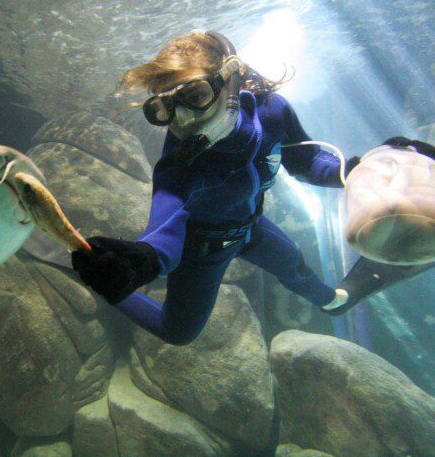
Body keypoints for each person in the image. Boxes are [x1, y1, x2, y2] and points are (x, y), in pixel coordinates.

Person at [71, 30, 378, 345]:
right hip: (201, 248)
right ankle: (100, 281)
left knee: (294, 267)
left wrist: (353, 172)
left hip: (251, 227)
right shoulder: (181, 161)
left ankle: (333, 302)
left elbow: (304, 159)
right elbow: (167, 222)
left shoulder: (272, 110)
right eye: (165, 108)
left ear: (230, 81)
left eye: (196, 96)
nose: (185, 118)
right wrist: (143, 260)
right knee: (178, 332)